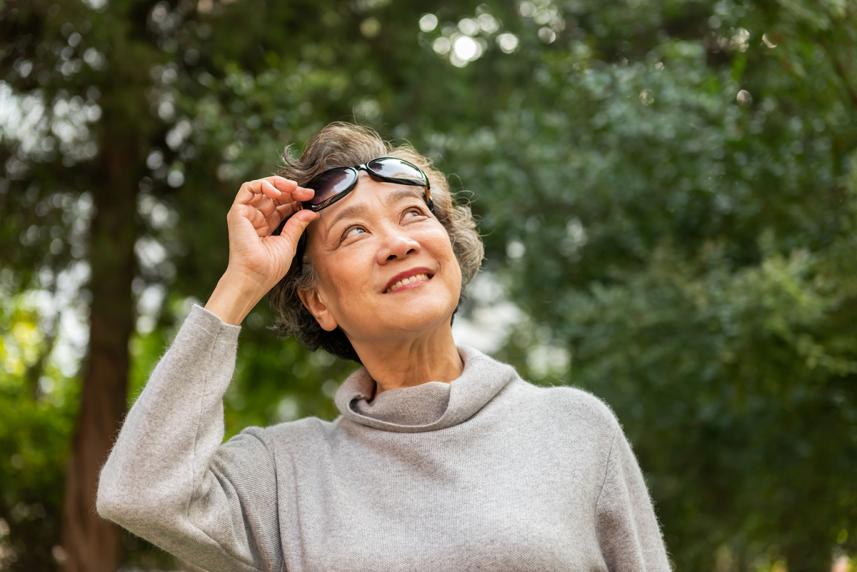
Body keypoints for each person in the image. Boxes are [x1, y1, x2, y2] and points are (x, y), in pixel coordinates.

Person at [96, 122, 672, 571]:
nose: (397, 243)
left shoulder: (575, 429)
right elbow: (140, 493)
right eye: (354, 231)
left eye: (413, 215)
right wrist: (241, 282)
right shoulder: (281, 474)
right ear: (318, 301)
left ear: (450, 250)